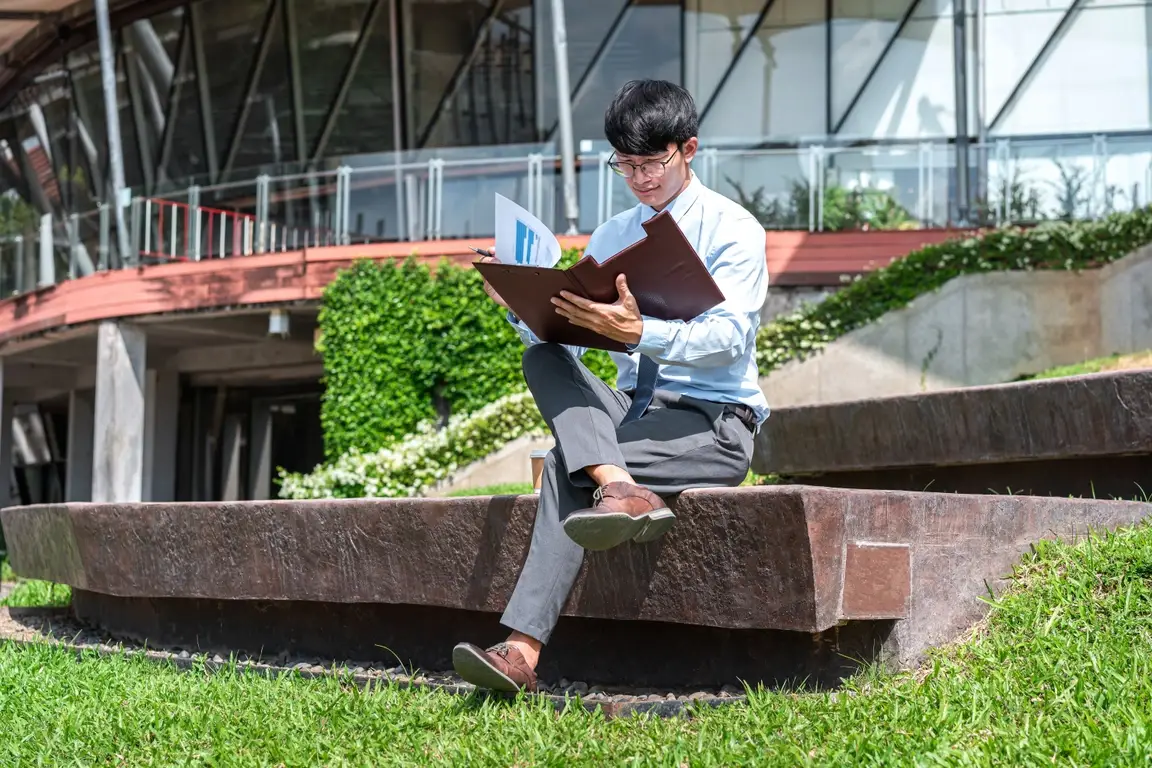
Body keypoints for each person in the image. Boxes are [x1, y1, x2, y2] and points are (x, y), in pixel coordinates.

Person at [451, 79, 770, 693]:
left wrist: (640, 330)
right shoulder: (612, 234)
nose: (641, 178)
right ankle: (620, 485)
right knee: (543, 356)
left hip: (714, 421)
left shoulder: (734, 228)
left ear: (690, 149)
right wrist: (519, 301)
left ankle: (521, 653)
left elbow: (729, 337)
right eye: (626, 165)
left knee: (569, 462)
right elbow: (568, 339)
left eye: (653, 162)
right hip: (633, 413)